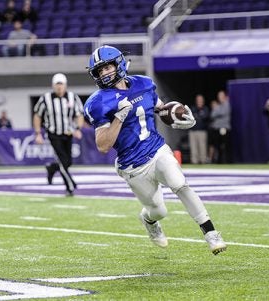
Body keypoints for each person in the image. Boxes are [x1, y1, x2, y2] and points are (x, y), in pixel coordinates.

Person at [84, 45, 226, 255]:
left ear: (119, 63)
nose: (104, 73)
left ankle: (211, 233)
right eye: (100, 71)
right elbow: (103, 145)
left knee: (180, 184)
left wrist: (180, 116)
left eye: (107, 67)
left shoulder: (143, 83)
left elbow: (160, 108)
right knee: (158, 210)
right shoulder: (98, 102)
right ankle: (149, 221)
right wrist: (119, 117)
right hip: (133, 165)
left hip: (157, 149)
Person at [33, 73, 84, 196]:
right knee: (62, 161)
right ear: (53, 86)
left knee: (68, 162)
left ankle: (51, 168)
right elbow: (37, 115)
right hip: (53, 134)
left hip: (68, 133)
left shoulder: (73, 97)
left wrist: (78, 128)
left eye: (61, 84)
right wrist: (38, 133)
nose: (59, 87)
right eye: (57, 85)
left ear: (65, 85)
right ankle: (70, 187)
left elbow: (79, 114)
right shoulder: (45, 98)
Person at [210, 90, 231, 163]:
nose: (220, 97)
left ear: (224, 97)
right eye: (219, 96)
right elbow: (212, 115)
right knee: (217, 146)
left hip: (224, 128)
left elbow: (223, 112)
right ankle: (219, 161)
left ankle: (226, 161)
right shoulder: (218, 106)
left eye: (221, 96)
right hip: (217, 129)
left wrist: (216, 111)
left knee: (225, 146)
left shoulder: (227, 104)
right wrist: (217, 111)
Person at [188, 94, 210, 164]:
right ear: (196, 101)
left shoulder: (205, 109)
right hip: (193, 131)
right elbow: (190, 117)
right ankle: (194, 161)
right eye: (198, 100)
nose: (199, 101)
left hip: (202, 131)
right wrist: (198, 116)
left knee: (202, 147)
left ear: (203, 101)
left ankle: (203, 161)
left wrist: (197, 117)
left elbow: (205, 117)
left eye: (201, 100)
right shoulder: (193, 108)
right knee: (193, 147)